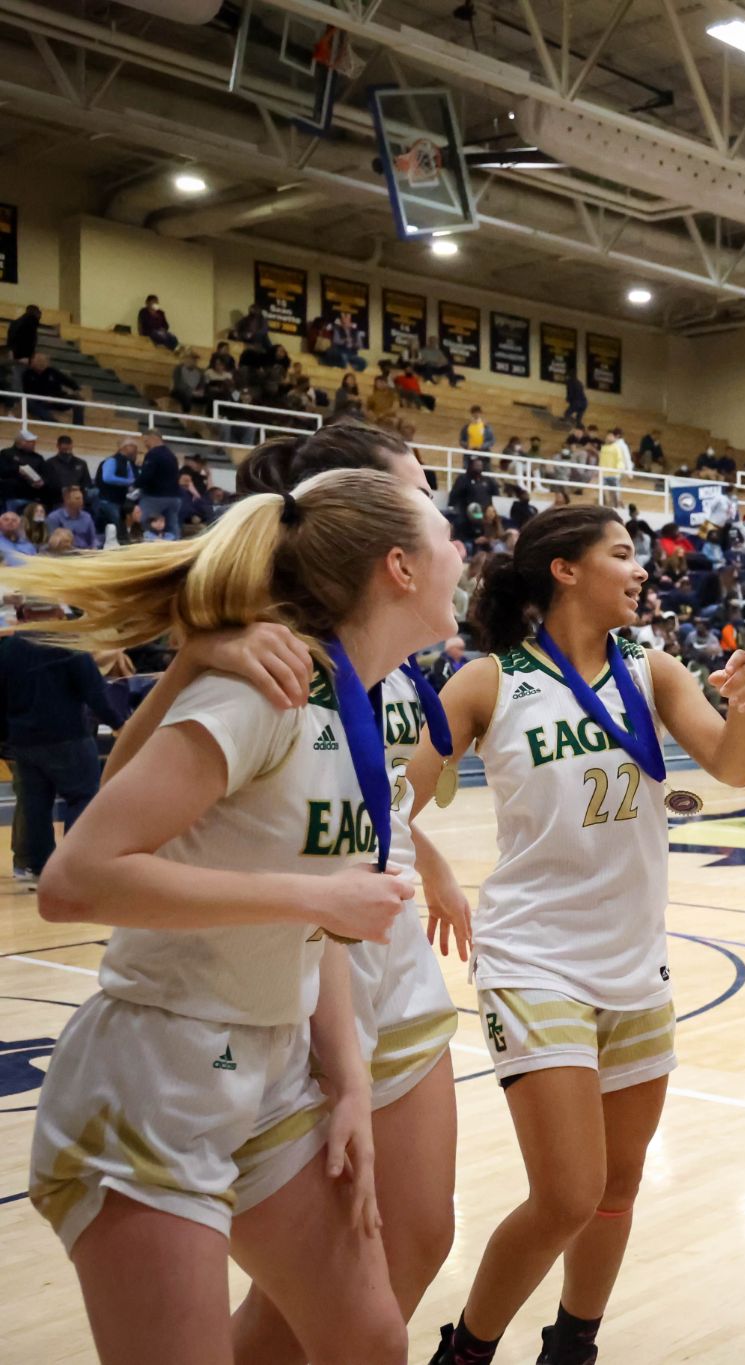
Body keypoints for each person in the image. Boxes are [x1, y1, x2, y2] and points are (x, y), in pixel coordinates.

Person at [6, 463, 461, 1364]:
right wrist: (315, 896)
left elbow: (316, 931)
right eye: (445, 536)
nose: (463, 552)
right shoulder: (264, 689)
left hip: (271, 1064)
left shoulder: (349, 703)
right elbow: (74, 878)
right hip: (157, 1073)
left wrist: (351, 1082)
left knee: (371, 1341)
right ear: (400, 568)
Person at [416, 505, 745, 1365]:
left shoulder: (651, 669)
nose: (641, 568)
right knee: (567, 1192)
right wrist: (431, 865)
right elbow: (388, 797)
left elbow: (731, 766)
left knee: (617, 1184)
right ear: (565, 570)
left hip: (636, 959)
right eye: (622, 553)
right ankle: (465, 1350)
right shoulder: (487, 681)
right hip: (533, 957)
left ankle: (573, 1346)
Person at [0, 601, 121, 883]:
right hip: (68, 737)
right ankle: (75, 865)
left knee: (34, 803)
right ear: (57, 613)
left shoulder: (8, 649)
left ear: (24, 614)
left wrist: (6, 735)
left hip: (24, 740)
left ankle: (37, 867)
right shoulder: (68, 644)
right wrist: (119, 723)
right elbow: (95, 692)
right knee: (82, 796)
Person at [135, 433, 183, 542]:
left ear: (153, 438)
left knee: (146, 523)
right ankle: (176, 547)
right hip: (174, 497)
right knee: (172, 526)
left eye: (146, 441)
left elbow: (147, 475)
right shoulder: (171, 455)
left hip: (155, 496)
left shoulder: (153, 454)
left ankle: (147, 547)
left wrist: (135, 484)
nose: (145, 444)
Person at [22, 354, 83, 425]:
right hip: (41, 401)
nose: (41, 367)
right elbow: (27, 391)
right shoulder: (27, 374)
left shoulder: (52, 371)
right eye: (38, 364)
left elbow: (67, 381)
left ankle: (78, 424)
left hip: (58, 398)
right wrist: (43, 398)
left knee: (78, 399)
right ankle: (54, 423)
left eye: (43, 364)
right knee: (29, 402)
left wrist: (77, 389)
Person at [45, 485, 99, 551]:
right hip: (63, 552)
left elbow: (93, 539)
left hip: (85, 552)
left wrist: (94, 548)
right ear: (67, 500)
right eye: (77, 499)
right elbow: (52, 542)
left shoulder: (87, 517)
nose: (81, 501)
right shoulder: (54, 517)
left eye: (81, 498)